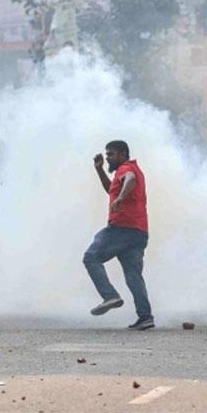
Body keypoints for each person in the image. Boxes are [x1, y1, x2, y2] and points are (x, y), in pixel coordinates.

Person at [84, 140, 154, 330]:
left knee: (91, 257)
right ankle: (145, 317)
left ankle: (110, 296)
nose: (107, 158)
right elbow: (111, 191)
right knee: (133, 276)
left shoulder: (127, 168)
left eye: (111, 154)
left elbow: (129, 179)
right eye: (107, 155)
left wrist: (121, 199)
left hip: (122, 228)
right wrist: (99, 170)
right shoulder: (123, 173)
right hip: (139, 232)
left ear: (122, 154)